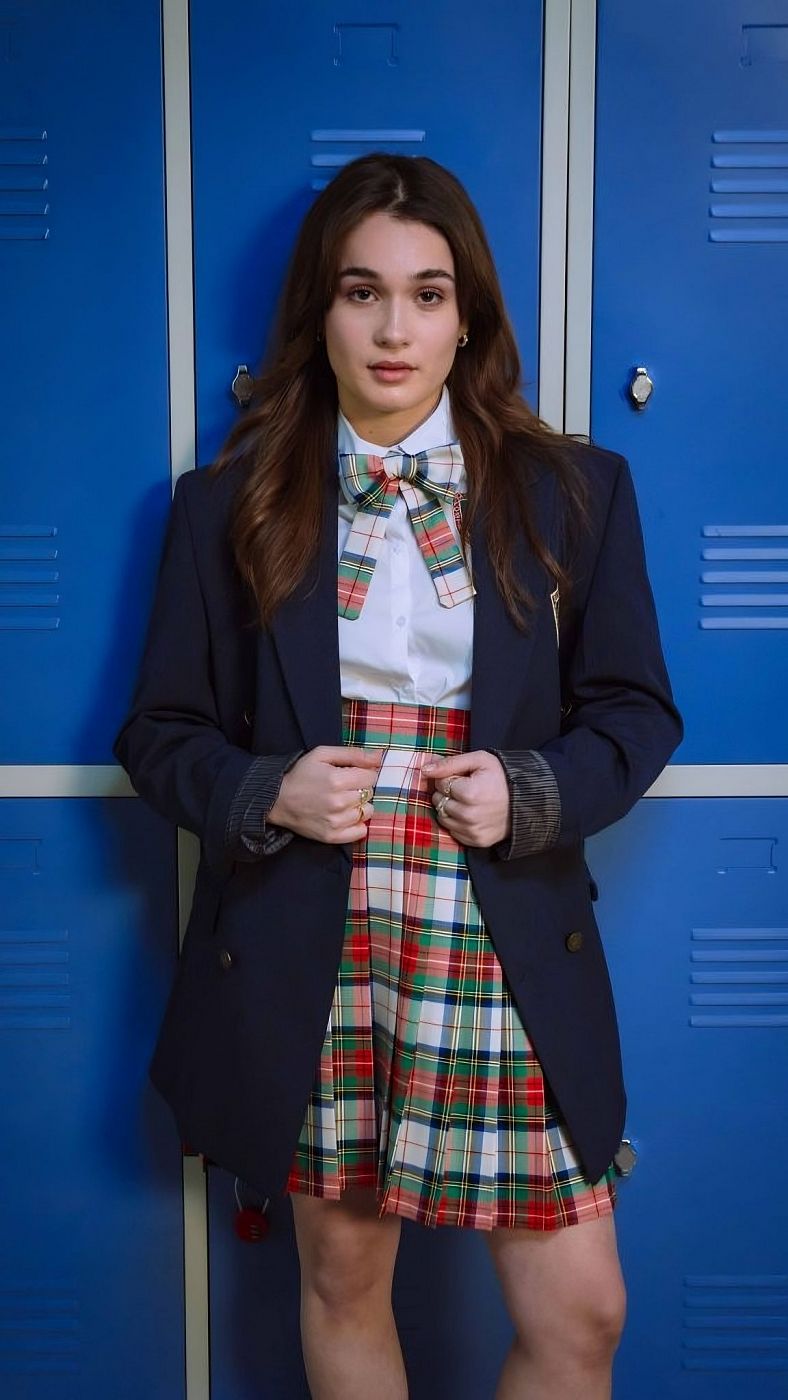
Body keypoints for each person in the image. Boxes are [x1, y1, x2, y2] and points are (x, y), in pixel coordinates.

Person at [113, 153, 683, 1399]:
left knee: (582, 1311)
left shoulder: (574, 491)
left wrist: (529, 791)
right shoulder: (227, 505)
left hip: (501, 917)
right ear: (317, 311)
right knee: (344, 1277)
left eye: (426, 295)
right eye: (360, 292)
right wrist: (267, 792)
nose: (391, 328)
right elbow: (158, 732)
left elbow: (634, 712)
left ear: (465, 314)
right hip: (311, 922)